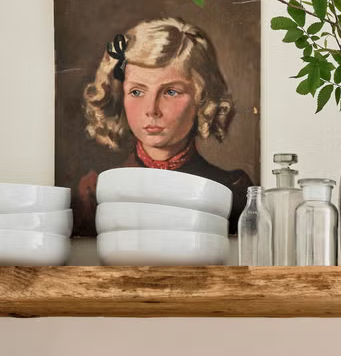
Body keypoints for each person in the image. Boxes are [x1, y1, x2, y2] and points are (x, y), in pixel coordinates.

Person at [74, 17, 252, 235]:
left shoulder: (232, 188)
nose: (152, 109)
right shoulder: (95, 190)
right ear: (121, 96)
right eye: (137, 92)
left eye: (170, 92)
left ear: (201, 99)